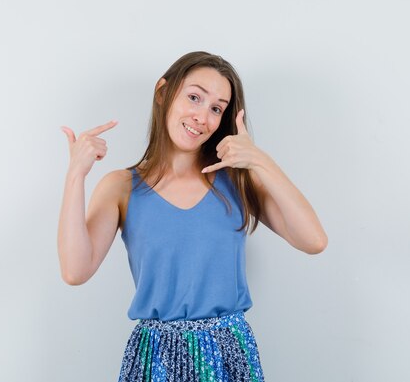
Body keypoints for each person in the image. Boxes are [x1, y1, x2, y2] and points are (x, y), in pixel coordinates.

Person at [57, 51, 327, 382]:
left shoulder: (238, 180)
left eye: (216, 108)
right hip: (154, 356)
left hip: (228, 353)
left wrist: (260, 160)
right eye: (194, 97)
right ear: (162, 93)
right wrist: (76, 175)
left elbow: (314, 240)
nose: (202, 116)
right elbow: (75, 270)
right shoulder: (121, 187)